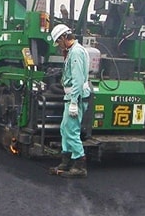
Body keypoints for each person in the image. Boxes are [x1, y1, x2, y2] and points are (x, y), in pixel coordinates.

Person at [48, 24, 90, 178]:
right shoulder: (72, 51)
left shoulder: (76, 52)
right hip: (71, 96)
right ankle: (66, 162)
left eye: (58, 42)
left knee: (71, 131)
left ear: (63, 38)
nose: (59, 46)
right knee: (65, 129)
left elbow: (78, 79)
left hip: (76, 98)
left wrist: (73, 102)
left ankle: (79, 165)